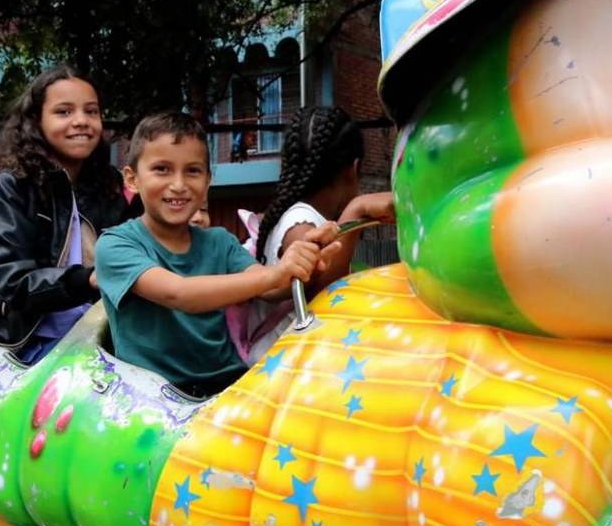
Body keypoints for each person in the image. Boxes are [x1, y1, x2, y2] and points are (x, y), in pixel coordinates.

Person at [95, 112, 338, 397]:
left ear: (208, 180)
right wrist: (276, 273)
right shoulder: (115, 245)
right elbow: (179, 294)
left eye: (193, 171)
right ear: (132, 179)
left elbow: (271, 287)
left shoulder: (220, 241)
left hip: (228, 386)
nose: (178, 184)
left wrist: (303, 261)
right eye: (162, 169)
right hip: (154, 398)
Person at [0, 64, 128, 360]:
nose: (81, 121)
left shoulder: (108, 185)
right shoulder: (11, 187)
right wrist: (87, 280)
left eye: (91, 111)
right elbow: (12, 282)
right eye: (64, 112)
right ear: (36, 122)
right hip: (26, 343)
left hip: (101, 336)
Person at [247, 106, 394, 360]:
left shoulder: (297, 215)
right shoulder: (300, 224)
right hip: (282, 363)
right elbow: (325, 296)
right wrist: (355, 210)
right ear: (354, 168)